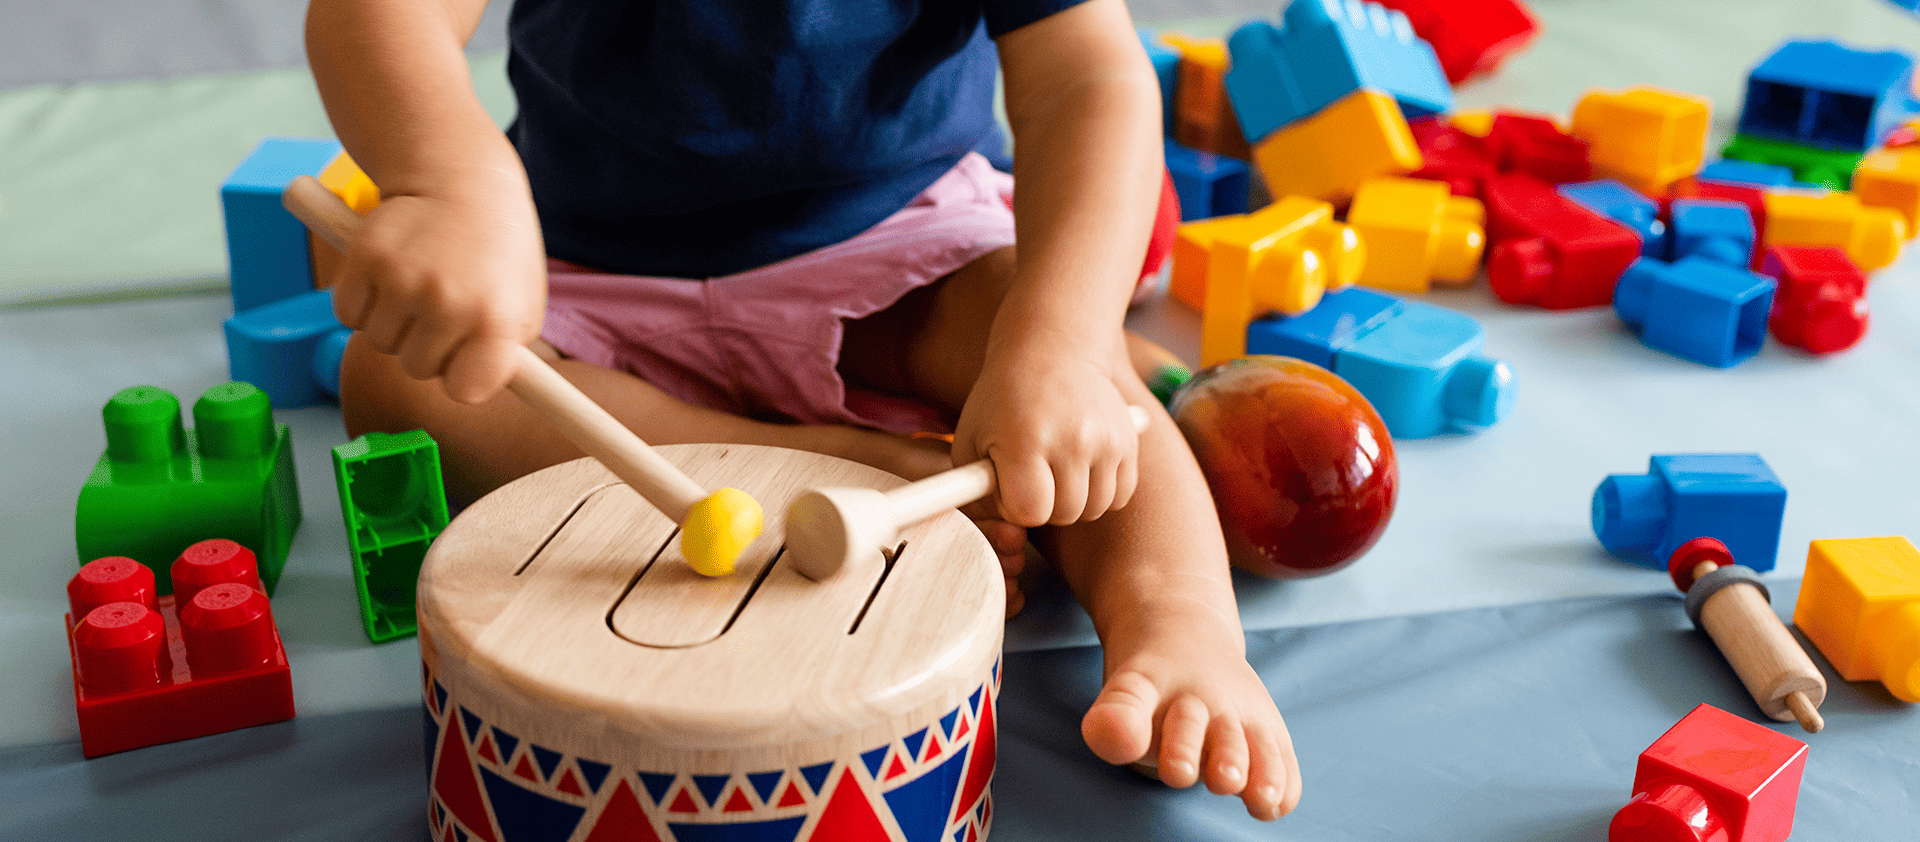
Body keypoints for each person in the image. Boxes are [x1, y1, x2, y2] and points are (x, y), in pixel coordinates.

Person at [305, 0, 1301, 819]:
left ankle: (1177, 627)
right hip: (585, 263)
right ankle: (830, 458)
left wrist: (1063, 338)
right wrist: (453, 185)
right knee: (399, 382)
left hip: (896, 241)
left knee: (1079, 383)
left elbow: (1086, 75)